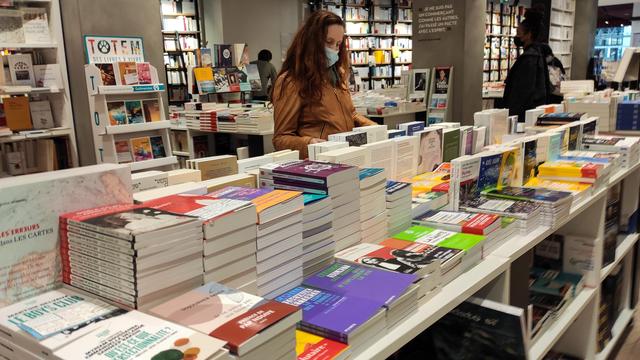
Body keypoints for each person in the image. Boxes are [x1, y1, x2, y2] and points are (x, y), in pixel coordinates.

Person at [271, 10, 378, 159]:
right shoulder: (292, 81)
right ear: (312, 41)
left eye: (338, 44)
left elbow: (351, 114)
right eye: (328, 42)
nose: (334, 49)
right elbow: (281, 138)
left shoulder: (337, 75)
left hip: (344, 156)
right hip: (318, 163)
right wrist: (310, 144)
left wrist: (375, 129)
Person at [502, 8, 551, 122]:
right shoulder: (538, 54)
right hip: (531, 114)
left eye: (518, 33)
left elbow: (523, 92)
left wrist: (512, 116)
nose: (516, 36)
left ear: (528, 35)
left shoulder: (529, 59)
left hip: (523, 116)